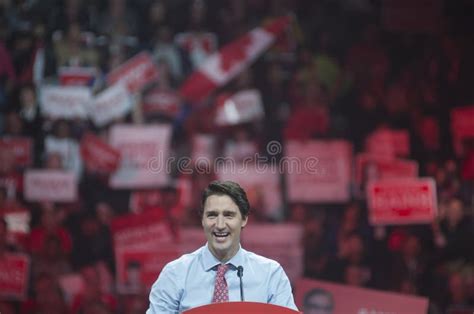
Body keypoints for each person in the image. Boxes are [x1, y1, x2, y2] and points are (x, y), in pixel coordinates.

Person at [146, 180, 298, 313]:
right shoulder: (175, 273)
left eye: (228, 215)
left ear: (244, 219)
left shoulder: (271, 274)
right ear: (203, 220)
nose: (219, 225)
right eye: (212, 215)